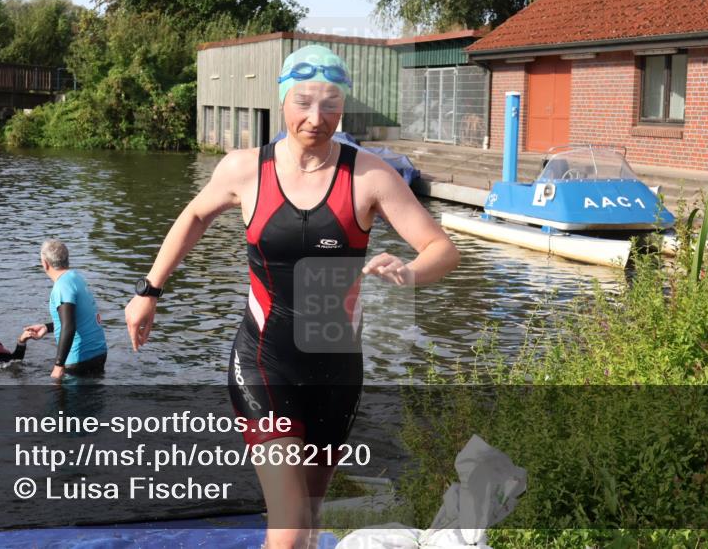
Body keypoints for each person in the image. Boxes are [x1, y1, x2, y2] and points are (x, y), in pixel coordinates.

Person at [124, 45, 460, 549]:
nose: (316, 117)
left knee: (307, 526)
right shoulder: (244, 170)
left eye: (330, 104)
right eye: (303, 102)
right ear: (282, 101)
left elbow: (442, 249)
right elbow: (193, 216)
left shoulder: (368, 175)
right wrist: (149, 290)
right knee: (287, 530)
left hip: (336, 371)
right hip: (266, 361)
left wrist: (411, 272)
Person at [24, 239, 107, 379]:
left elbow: (69, 326)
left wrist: (58, 365)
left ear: (45, 263)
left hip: (79, 360)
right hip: (99, 353)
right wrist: (47, 327)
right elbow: (78, 317)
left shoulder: (62, 287)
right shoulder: (76, 278)